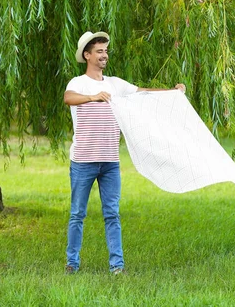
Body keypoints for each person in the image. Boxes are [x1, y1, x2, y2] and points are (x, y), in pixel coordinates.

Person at [64, 31, 186, 275]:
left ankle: (117, 266)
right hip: (83, 162)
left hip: (110, 162)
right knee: (78, 213)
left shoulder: (115, 84)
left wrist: (172, 92)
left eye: (106, 51)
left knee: (112, 214)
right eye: (99, 51)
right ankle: (72, 263)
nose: (104, 55)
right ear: (87, 55)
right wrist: (92, 97)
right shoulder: (77, 84)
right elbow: (68, 99)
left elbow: (142, 92)